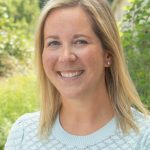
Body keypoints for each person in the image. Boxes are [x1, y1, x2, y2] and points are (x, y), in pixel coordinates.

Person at [5, 0, 150, 149]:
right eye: (54, 43)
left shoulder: (144, 137)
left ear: (108, 54)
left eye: (80, 41)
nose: (66, 56)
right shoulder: (23, 134)